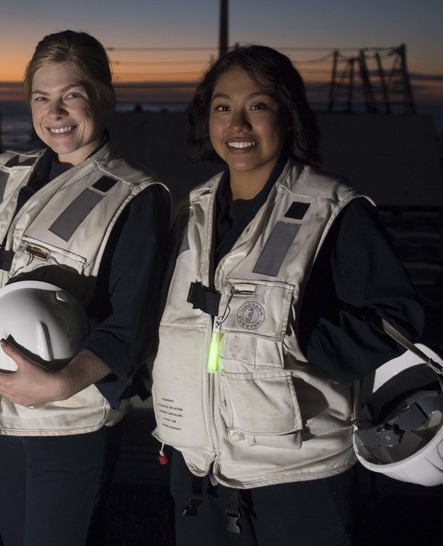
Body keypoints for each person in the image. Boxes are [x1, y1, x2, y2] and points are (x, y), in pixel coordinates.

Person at [151, 45, 425, 545]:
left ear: (287, 114)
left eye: (257, 106)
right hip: (197, 472)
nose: (237, 124)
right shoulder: (192, 211)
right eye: (222, 107)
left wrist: (302, 335)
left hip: (298, 479)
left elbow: (397, 320)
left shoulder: (332, 210)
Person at [0, 30, 171, 546]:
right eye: (42, 98)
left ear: (102, 98)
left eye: (72, 95)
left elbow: (131, 325)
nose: (56, 112)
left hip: (69, 422)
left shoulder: (136, 194)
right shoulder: (6, 172)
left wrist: (62, 383)